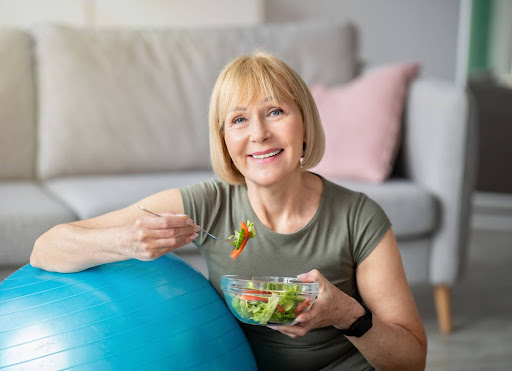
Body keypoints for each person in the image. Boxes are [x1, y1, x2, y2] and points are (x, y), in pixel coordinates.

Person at [31, 52, 427, 370]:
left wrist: (345, 314)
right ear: (224, 141)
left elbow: (412, 360)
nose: (259, 133)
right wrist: (127, 241)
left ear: (304, 124)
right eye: (239, 119)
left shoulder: (359, 216)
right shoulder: (208, 204)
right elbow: (47, 248)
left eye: (275, 111)